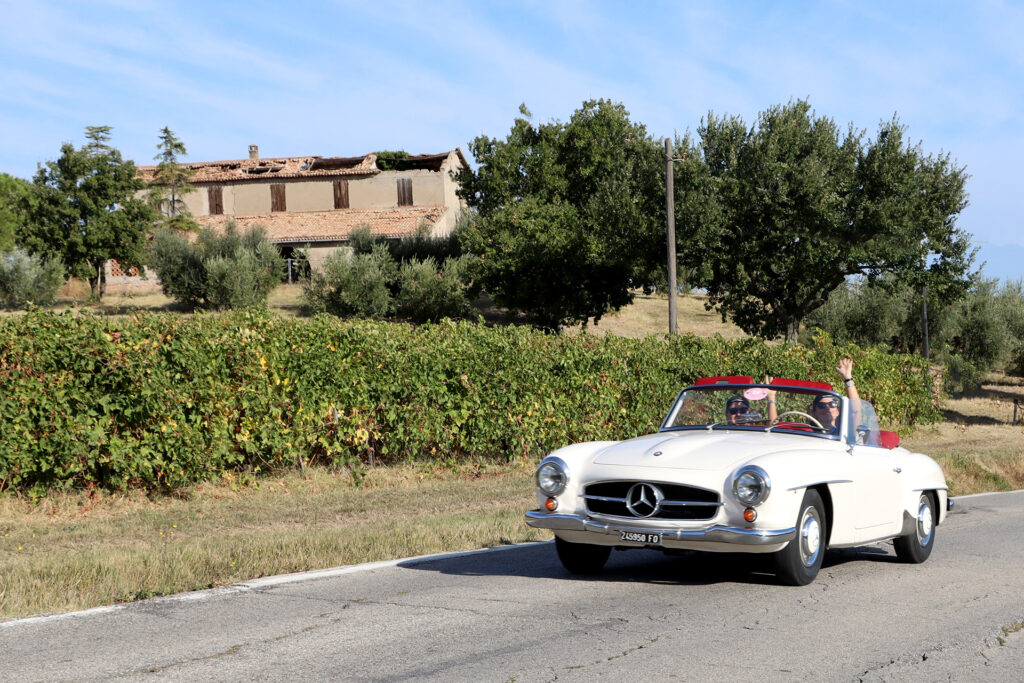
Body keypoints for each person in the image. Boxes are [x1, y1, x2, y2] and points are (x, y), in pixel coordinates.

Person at [808, 358, 860, 435]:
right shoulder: (806, 433)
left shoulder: (844, 433)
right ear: (813, 413)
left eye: (832, 404)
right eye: (821, 406)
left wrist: (848, 378)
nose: (827, 408)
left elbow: (856, 411)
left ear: (838, 411)